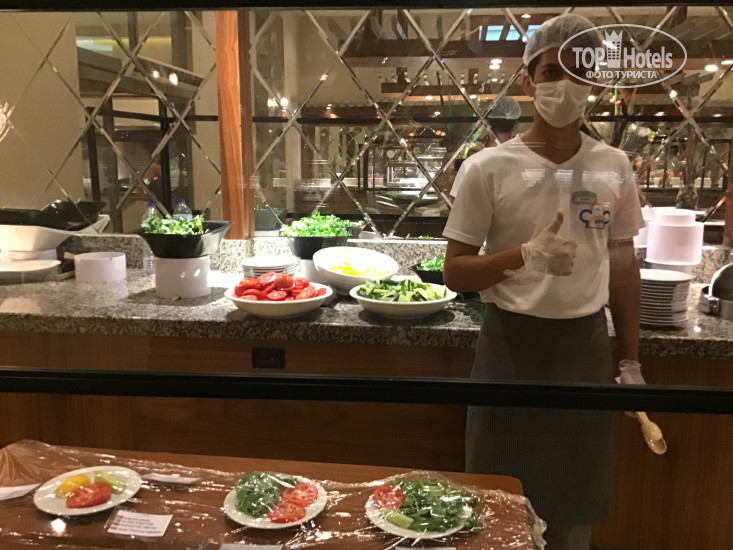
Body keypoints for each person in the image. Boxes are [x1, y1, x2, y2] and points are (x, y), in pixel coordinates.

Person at [441, 13, 645, 550]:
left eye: (580, 73)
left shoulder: (614, 166)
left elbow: (624, 267)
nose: (566, 85)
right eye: (553, 71)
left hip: (584, 351)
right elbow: (454, 271)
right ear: (529, 81)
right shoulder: (487, 167)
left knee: (573, 513)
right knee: (497, 507)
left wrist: (630, 361)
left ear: (595, 84)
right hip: (508, 346)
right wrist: (524, 256)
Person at [450, 97, 522, 200]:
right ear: (515, 125)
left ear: (488, 124)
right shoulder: (523, 163)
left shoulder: (471, 163)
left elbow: (455, 202)